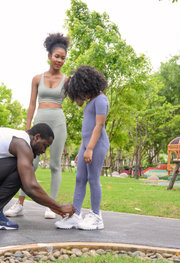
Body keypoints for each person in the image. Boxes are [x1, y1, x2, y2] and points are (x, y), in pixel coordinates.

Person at [0, 123, 76, 230]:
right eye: (45, 145)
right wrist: (59, 207)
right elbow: (30, 187)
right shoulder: (22, 144)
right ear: (37, 137)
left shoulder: (17, 138)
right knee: (19, 169)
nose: (44, 151)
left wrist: (54, 207)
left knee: (15, 167)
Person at [4, 33, 70, 219]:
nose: (60, 60)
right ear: (49, 56)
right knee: (30, 163)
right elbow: (32, 104)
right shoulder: (36, 79)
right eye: (57, 56)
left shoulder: (66, 81)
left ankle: (52, 206)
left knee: (55, 165)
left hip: (58, 121)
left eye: (63, 58)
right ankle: (20, 203)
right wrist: (27, 128)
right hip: (39, 122)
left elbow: (79, 99)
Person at [55, 65, 110, 230]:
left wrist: (90, 148)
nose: (79, 98)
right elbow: (86, 130)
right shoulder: (90, 102)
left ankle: (96, 216)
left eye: (79, 93)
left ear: (87, 86)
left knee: (93, 179)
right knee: (80, 179)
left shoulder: (101, 100)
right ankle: (76, 215)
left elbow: (98, 126)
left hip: (97, 145)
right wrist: (82, 149)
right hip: (87, 146)